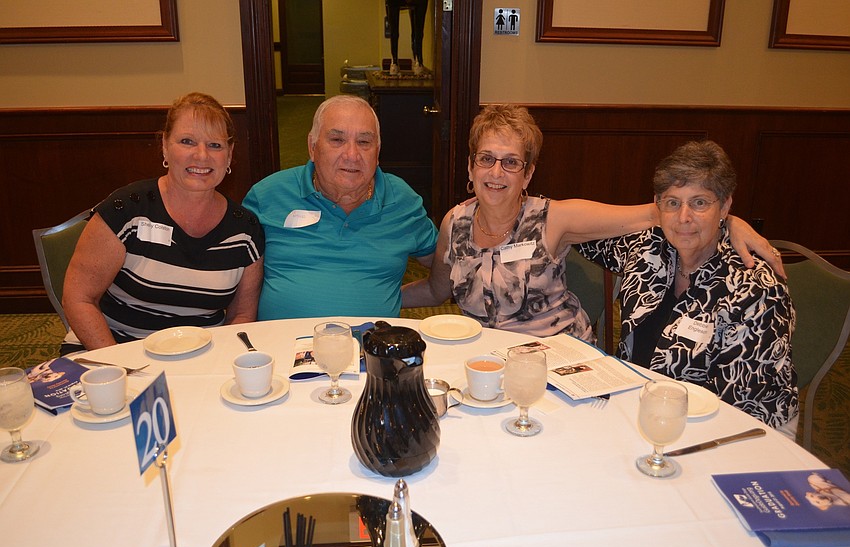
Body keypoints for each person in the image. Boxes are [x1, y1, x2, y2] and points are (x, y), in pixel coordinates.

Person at [402, 104, 782, 341]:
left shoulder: (554, 218)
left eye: (511, 161)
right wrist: (375, 295)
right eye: (486, 158)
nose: (496, 171)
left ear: (528, 173)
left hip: (558, 363)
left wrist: (729, 222)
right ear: (471, 166)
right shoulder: (456, 222)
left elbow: (657, 211)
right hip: (486, 364)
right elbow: (437, 291)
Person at [578, 140, 797, 430]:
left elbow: (739, 404)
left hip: (736, 432)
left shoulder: (755, 289)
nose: (684, 218)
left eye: (700, 202)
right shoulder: (648, 248)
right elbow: (573, 227)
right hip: (643, 412)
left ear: (725, 205)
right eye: (672, 203)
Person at [62, 92, 265, 352]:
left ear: (229, 155)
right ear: (165, 146)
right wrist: (117, 366)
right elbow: (79, 298)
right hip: (109, 349)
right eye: (187, 141)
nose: (201, 156)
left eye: (215, 145)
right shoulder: (127, 211)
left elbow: (241, 316)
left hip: (198, 358)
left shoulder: (244, 230)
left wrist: (217, 364)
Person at [242, 95, 437, 320]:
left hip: (369, 347)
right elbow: (235, 284)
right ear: (312, 147)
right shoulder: (268, 195)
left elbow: (450, 271)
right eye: (337, 140)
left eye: (364, 142)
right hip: (284, 347)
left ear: (378, 151)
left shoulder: (402, 200)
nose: (352, 155)